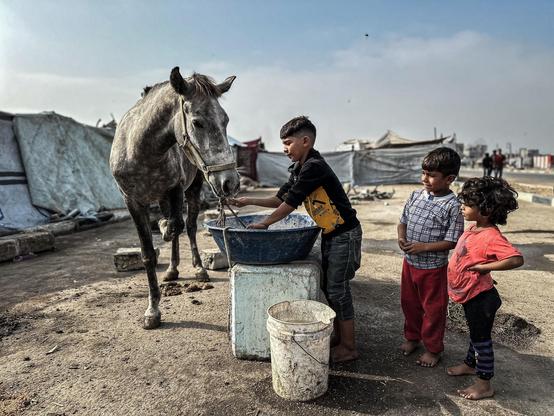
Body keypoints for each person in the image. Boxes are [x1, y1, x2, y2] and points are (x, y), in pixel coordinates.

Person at [227, 116, 362, 363]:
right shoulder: (301, 167)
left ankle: (349, 346)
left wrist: (266, 223)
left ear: (305, 141)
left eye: (288, 143)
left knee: (337, 290)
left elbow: (289, 205)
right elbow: (280, 199)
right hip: (333, 233)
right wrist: (247, 201)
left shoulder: (314, 167)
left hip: (345, 234)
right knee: (329, 288)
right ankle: (340, 339)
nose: (284, 149)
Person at [446, 177, 523, 400]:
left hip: (482, 299)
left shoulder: (491, 235)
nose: (462, 206)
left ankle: (484, 384)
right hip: (472, 295)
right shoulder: (474, 228)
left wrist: (484, 267)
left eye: (468, 204)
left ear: (486, 210)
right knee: (476, 333)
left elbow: (516, 259)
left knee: (482, 341)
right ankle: (471, 365)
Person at [397, 147, 464, 367]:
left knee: (433, 310)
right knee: (409, 304)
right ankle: (412, 337)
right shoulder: (416, 195)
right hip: (410, 264)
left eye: (432, 175)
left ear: (449, 179)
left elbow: (452, 241)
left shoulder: (452, 206)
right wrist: (401, 238)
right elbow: (403, 221)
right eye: (423, 173)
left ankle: (433, 349)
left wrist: (423, 247)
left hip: (433, 269)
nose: (425, 179)